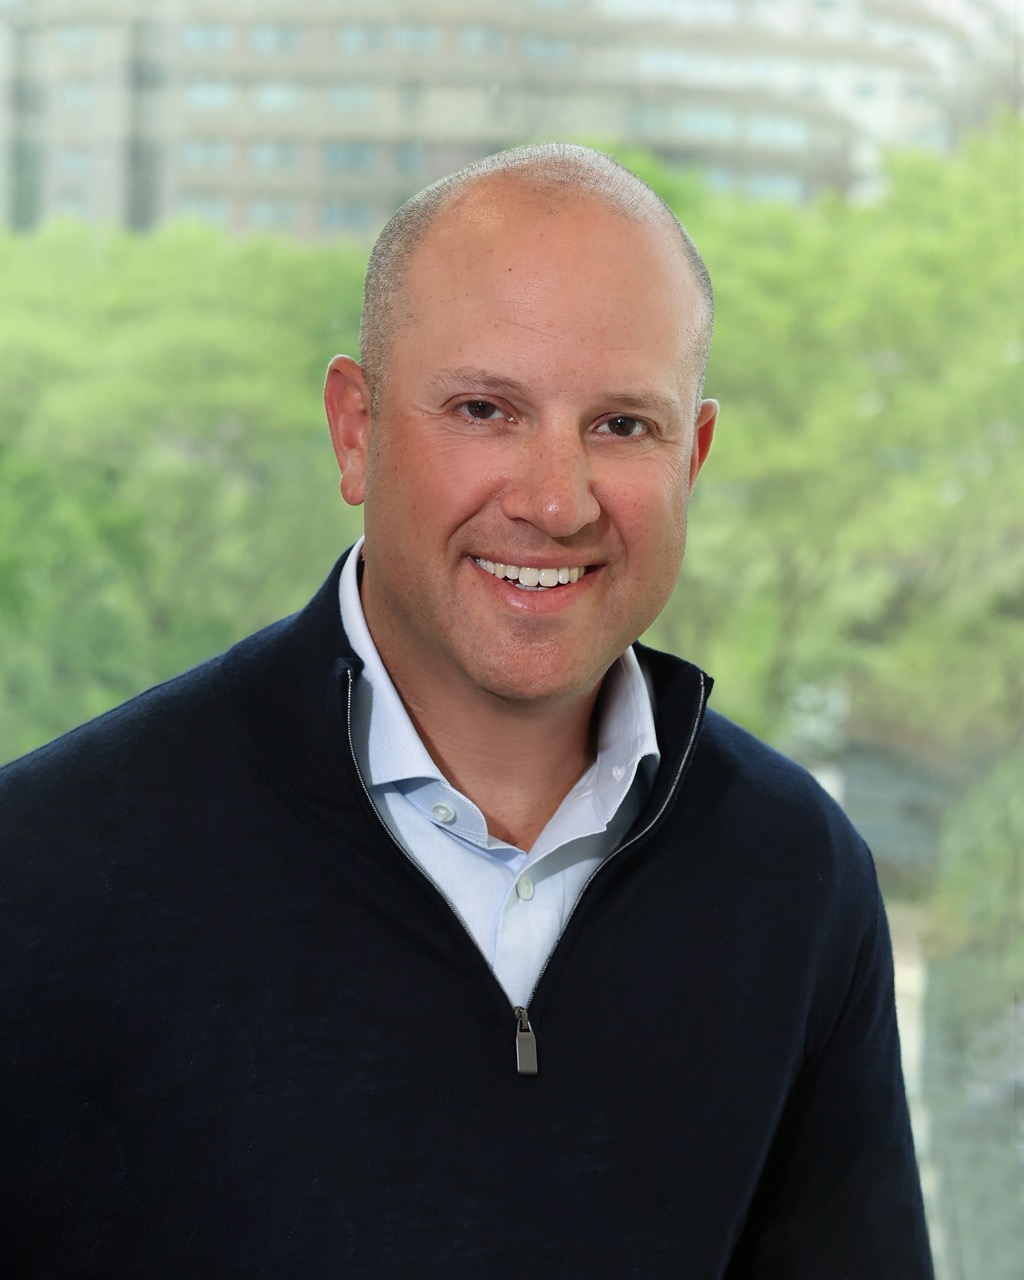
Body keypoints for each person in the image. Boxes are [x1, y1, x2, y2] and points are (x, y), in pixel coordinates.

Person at [0, 144, 933, 1277]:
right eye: (486, 408)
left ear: (692, 456)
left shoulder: (800, 874)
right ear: (357, 429)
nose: (554, 498)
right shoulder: (45, 866)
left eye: (621, 425)